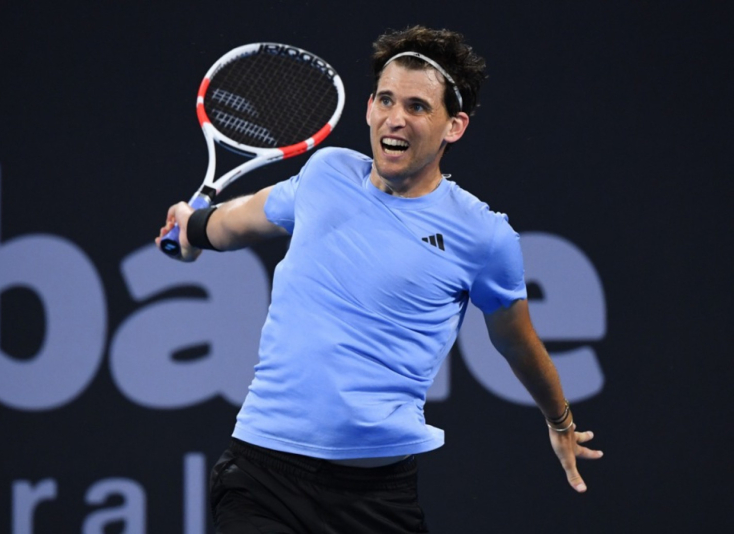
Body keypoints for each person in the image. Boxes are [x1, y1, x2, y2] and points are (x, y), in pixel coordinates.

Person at [157, 25, 602, 534]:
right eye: (386, 100)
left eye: (417, 107)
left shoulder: (483, 236)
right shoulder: (327, 173)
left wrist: (560, 420)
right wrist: (191, 228)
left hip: (377, 500)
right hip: (262, 476)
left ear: (454, 126)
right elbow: (238, 221)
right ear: (369, 107)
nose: (395, 118)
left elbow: (517, 343)